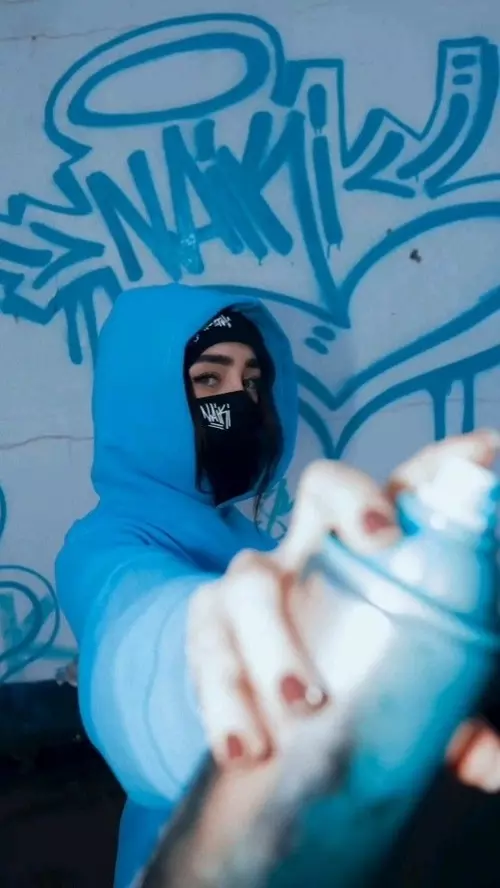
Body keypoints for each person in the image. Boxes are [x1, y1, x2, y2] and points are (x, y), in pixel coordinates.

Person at [55, 283, 500, 888]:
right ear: (143, 397)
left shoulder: (255, 538)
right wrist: (219, 671)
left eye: (253, 380)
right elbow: (136, 649)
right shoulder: (102, 544)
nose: (240, 398)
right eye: (208, 379)